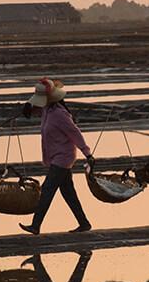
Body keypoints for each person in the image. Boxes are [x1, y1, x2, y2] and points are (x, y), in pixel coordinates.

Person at [19, 78, 94, 235]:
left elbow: (75, 133)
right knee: (68, 192)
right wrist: (28, 109)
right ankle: (84, 223)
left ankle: (35, 225)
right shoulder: (48, 109)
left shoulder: (60, 114)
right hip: (56, 157)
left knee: (47, 189)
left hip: (63, 157)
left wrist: (87, 153)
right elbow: (38, 111)